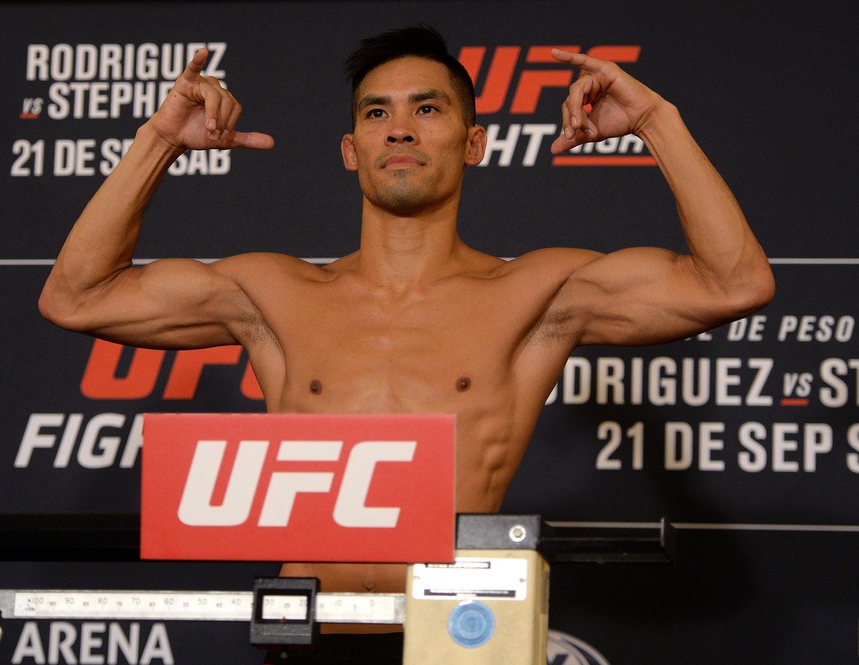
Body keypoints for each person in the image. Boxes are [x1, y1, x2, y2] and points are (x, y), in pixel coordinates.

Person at [39, 24, 774, 664]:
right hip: (310, 636)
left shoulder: (537, 294)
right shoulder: (273, 296)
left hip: (460, 637)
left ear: (475, 141)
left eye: (428, 109)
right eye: (377, 113)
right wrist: (159, 142)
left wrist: (655, 120)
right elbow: (75, 296)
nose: (400, 129)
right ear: (351, 149)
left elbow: (733, 283)